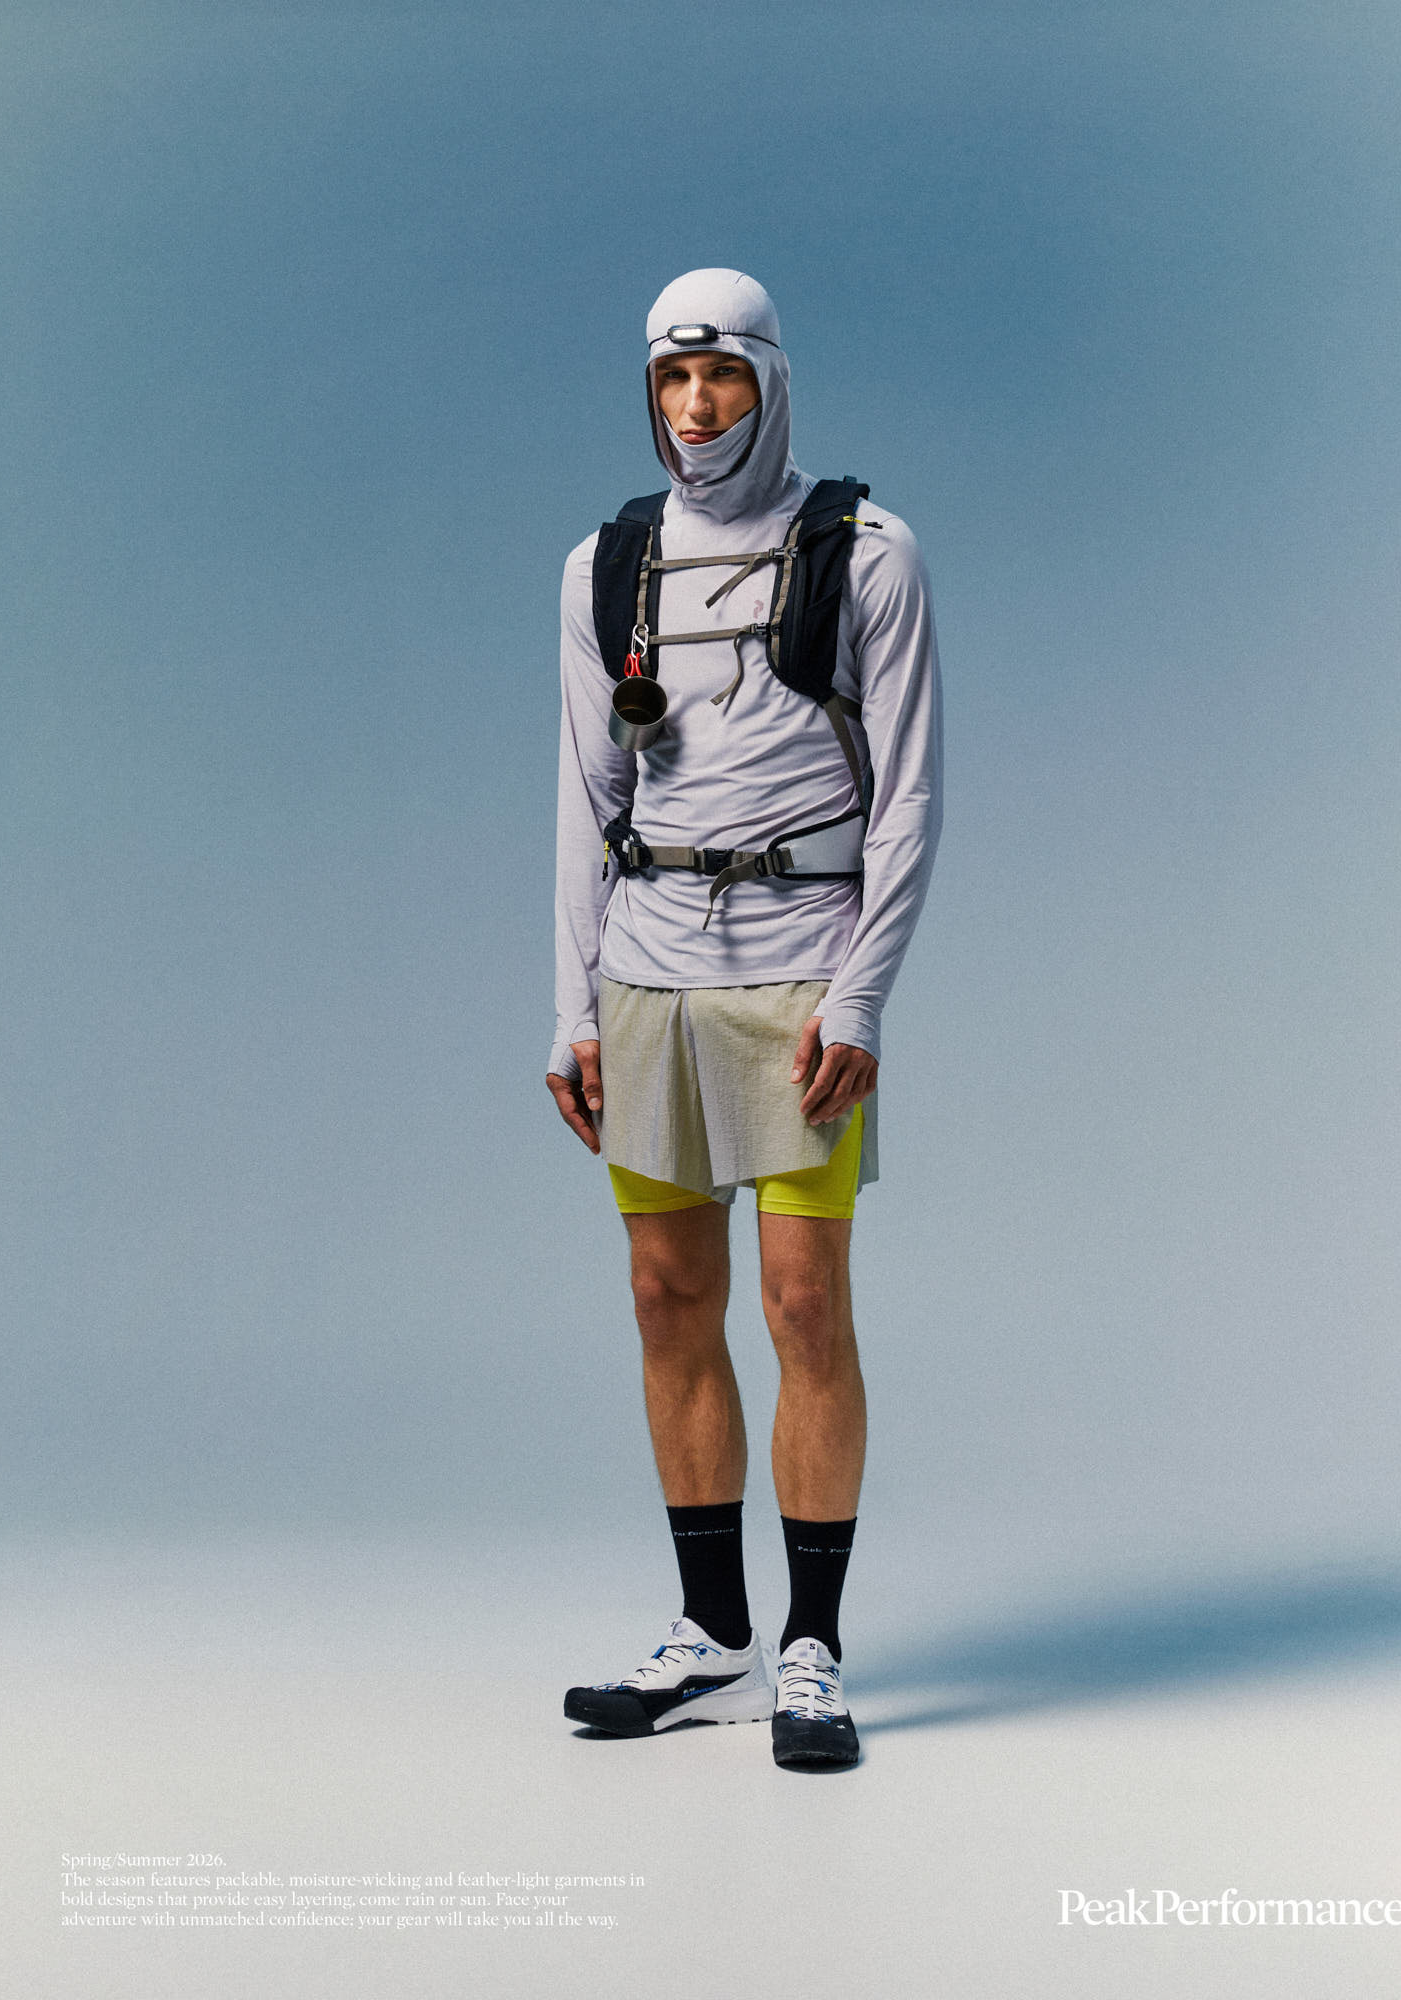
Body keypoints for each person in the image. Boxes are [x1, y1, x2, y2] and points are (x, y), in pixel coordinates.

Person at [546, 268, 942, 1770]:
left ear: (772, 379)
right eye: (671, 378)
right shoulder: (606, 567)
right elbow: (584, 796)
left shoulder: (867, 554)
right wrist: (572, 1009)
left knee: (801, 1302)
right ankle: (711, 1630)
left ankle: (811, 1649)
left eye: (721, 375)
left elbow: (908, 797)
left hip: (800, 975)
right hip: (647, 971)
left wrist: (864, 996)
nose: (697, 406)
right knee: (666, 1293)